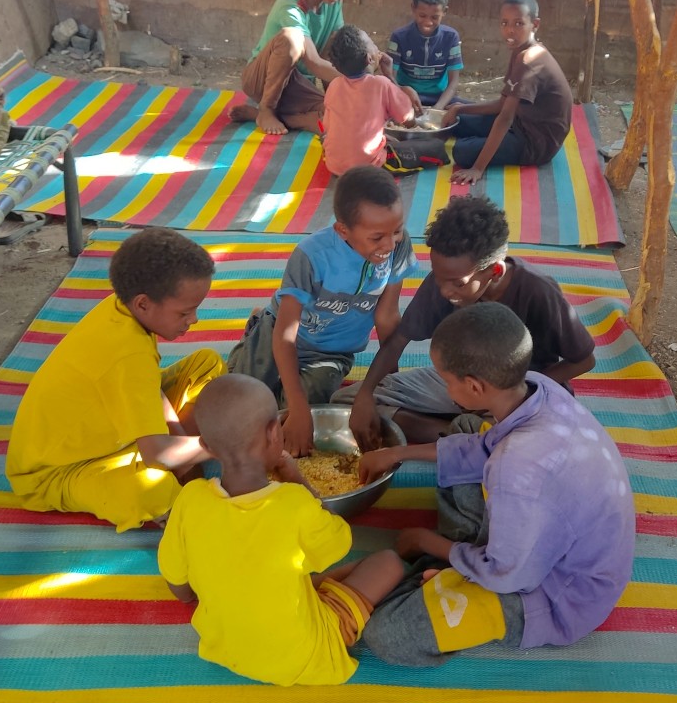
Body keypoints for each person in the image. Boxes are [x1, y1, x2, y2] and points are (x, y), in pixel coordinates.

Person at [354, 303, 635, 666]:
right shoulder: (540, 387)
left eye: (446, 380)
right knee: (467, 429)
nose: (445, 387)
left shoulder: (515, 469)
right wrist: (397, 454)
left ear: (473, 386)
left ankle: (451, 568)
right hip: (548, 528)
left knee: (388, 635)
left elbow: (511, 575)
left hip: (558, 594)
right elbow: (484, 446)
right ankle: (457, 563)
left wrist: (433, 544)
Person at [157, 374, 404, 686]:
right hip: (302, 654)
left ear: (206, 446)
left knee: (284, 574)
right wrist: (297, 479)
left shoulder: (189, 499)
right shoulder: (294, 502)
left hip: (225, 645)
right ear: (275, 433)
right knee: (388, 563)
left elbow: (179, 589)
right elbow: (337, 540)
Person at [5, 228, 226, 532]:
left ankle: (180, 457)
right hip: (55, 471)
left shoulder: (123, 310)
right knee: (152, 489)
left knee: (206, 364)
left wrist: (182, 451)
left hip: (114, 427)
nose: (195, 320)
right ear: (143, 304)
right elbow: (157, 453)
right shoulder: (127, 354)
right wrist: (227, 444)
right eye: (185, 312)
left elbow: (147, 387)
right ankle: (178, 481)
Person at [335, 196, 596, 447]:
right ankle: (454, 434)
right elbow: (398, 341)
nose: (445, 291)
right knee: (346, 401)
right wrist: (366, 394)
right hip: (460, 386)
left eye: (457, 283)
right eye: (438, 277)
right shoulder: (445, 282)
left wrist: (511, 392)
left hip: (522, 394)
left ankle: (476, 435)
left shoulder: (538, 292)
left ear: (494, 271)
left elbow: (585, 359)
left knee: (526, 443)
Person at [227, 167, 416, 456]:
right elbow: (286, 334)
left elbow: (387, 316)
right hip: (280, 331)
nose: (390, 244)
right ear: (343, 230)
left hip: (331, 353)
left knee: (300, 413)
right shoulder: (311, 256)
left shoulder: (398, 248)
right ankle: (256, 327)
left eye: (398, 230)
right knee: (243, 406)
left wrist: (389, 385)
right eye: (377, 237)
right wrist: (298, 409)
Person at [440, 0, 573, 185]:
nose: (510, 30)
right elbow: (503, 103)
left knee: (461, 151)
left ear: (535, 24)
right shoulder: (521, 50)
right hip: (521, 122)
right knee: (455, 115)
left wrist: (477, 168)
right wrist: (460, 108)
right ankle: (477, 130)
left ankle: (483, 144)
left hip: (534, 143)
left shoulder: (529, 61)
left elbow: (505, 117)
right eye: (505, 23)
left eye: (518, 23)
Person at [229, 0, 353, 136]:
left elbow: (331, 55)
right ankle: (266, 110)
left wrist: (336, 98)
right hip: (261, 80)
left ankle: (264, 116)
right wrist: (358, 82)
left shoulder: (333, 3)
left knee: (340, 117)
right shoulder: (291, 4)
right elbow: (314, 62)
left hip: (298, 84)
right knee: (292, 38)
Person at [321, 25, 421, 174]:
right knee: (433, 148)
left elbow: (330, 127)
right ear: (369, 58)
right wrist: (390, 76)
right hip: (369, 168)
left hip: (335, 165)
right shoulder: (380, 83)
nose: (376, 47)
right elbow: (408, 120)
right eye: (373, 43)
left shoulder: (334, 85)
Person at [386, 0, 465, 109]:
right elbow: (390, 79)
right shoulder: (398, 37)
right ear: (413, 8)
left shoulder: (451, 38)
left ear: (444, 12)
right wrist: (402, 92)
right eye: (422, 15)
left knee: (470, 114)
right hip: (405, 96)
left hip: (440, 98)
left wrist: (437, 109)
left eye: (434, 17)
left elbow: (453, 82)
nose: (428, 22)